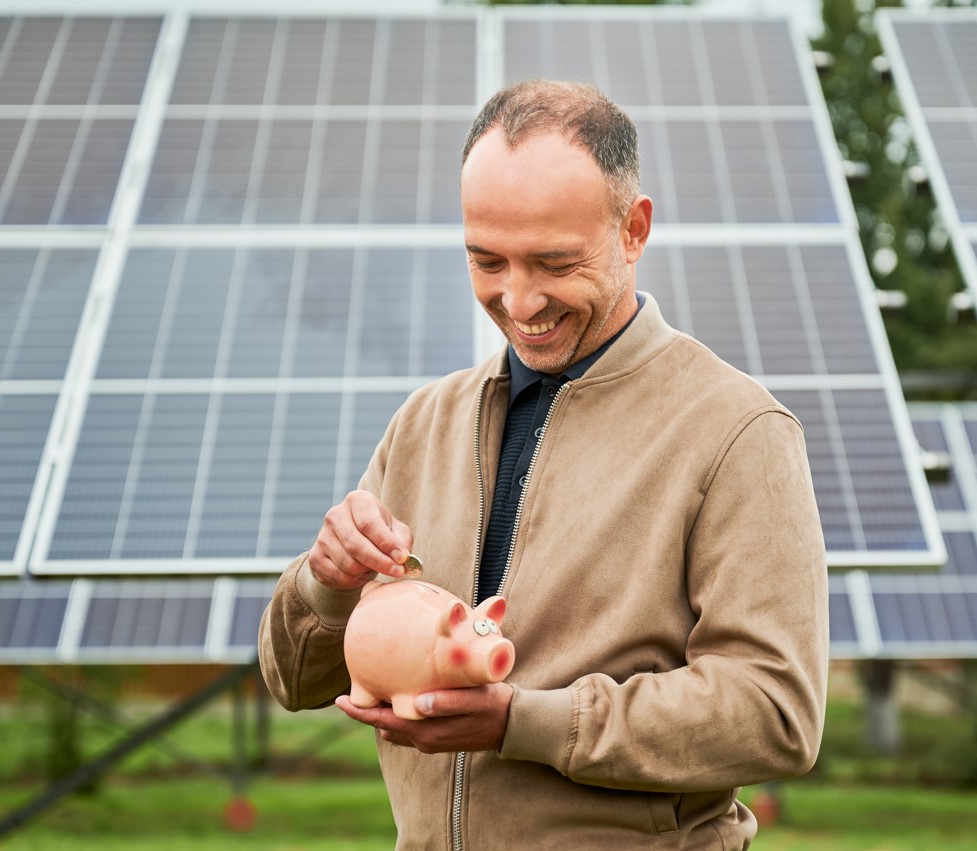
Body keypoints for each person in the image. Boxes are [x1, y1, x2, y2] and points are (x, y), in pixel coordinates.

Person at [259, 79, 828, 849]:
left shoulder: (736, 431)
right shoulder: (424, 422)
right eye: (486, 260)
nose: (519, 300)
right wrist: (326, 579)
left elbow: (775, 713)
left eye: (554, 263)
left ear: (634, 229)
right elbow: (295, 679)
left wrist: (522, 723)